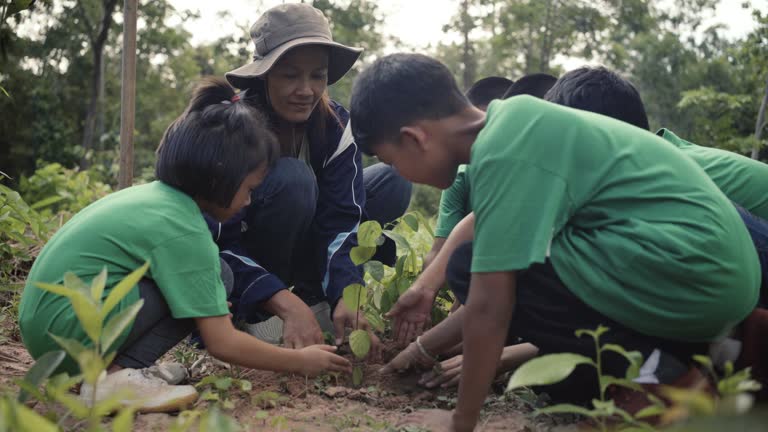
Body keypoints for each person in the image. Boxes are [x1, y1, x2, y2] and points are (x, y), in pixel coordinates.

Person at [349, 53, 759, 431]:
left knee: (468, 265)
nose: (399, 174)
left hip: (695, 270)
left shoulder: (505, 148)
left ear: (415, 138)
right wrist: (418, 351)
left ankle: (665, 382)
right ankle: (700, 358)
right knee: (562, 382)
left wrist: (461, 421)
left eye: (391, 162)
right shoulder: (515, 126)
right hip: (708, 278)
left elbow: (492, 305)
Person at [18, 77, 351, 413]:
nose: (250, 201)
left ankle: (114, 373)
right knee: (216, 278)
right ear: (220, 178)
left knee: (215, 277)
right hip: (67, 329)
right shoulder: (185, 229)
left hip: (47, 326)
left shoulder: (155, 199)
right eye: (249, 189)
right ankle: (112, 379)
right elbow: (221, 342)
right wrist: (300, 362)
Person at [214, 3, 411, 352]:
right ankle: (263, 311)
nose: (306, 90)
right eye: (290, 75)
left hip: (308, 242)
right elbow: (217, 240)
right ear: (265, 75)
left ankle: (316, 299)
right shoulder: (232, 130)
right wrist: (279, 300)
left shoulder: (335, 126)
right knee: (295, 179)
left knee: (393, 180)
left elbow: (342, 219)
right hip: (250, 251)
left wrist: (347, 293)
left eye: (317, 75)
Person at [425, 74, 557, 270]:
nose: (484, 134)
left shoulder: (548, 167)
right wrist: (426, 286)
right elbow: (441, 249)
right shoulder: (463, 173)